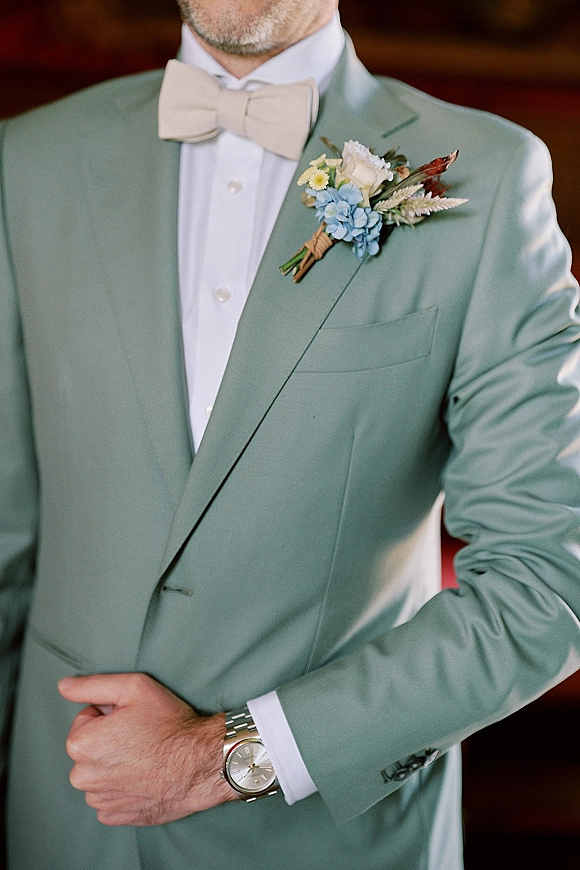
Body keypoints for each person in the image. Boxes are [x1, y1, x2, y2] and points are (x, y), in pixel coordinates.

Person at [1, 0, 579, 867]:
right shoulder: (26, 161)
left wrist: (220, 759)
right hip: (62, 822)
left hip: (334, 841)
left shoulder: (488, 181)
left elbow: (550, 580)